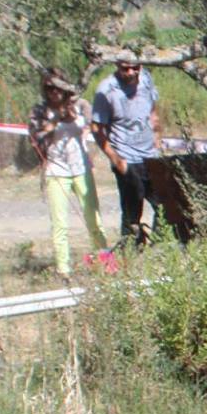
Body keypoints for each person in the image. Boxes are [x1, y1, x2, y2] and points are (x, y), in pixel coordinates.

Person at [29, 73, 110, 276]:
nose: (54, 92)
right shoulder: (39, 111)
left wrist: (76, 116)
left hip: (81, 168)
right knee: (60, 224)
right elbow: (36, 136)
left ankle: (105, 263)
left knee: (94, 218)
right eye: (49, 88)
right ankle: (63, 270)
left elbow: (95, 125)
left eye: (58, 88)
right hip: (56, 170)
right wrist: (56, 118)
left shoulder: (81, 105)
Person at [90, 51, 162, 247]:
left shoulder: (146, 79)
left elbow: (153, 110)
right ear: (117, 66)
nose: (130, 72)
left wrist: (157, 140)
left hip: (151, 156)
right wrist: (116, 159)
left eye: (135, 68)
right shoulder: (106, 90)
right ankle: (130, 250)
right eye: (125, 68)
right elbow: (97, 128)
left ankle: (159, 247)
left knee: (164, 204)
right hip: (127, 158)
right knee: (132, 211)